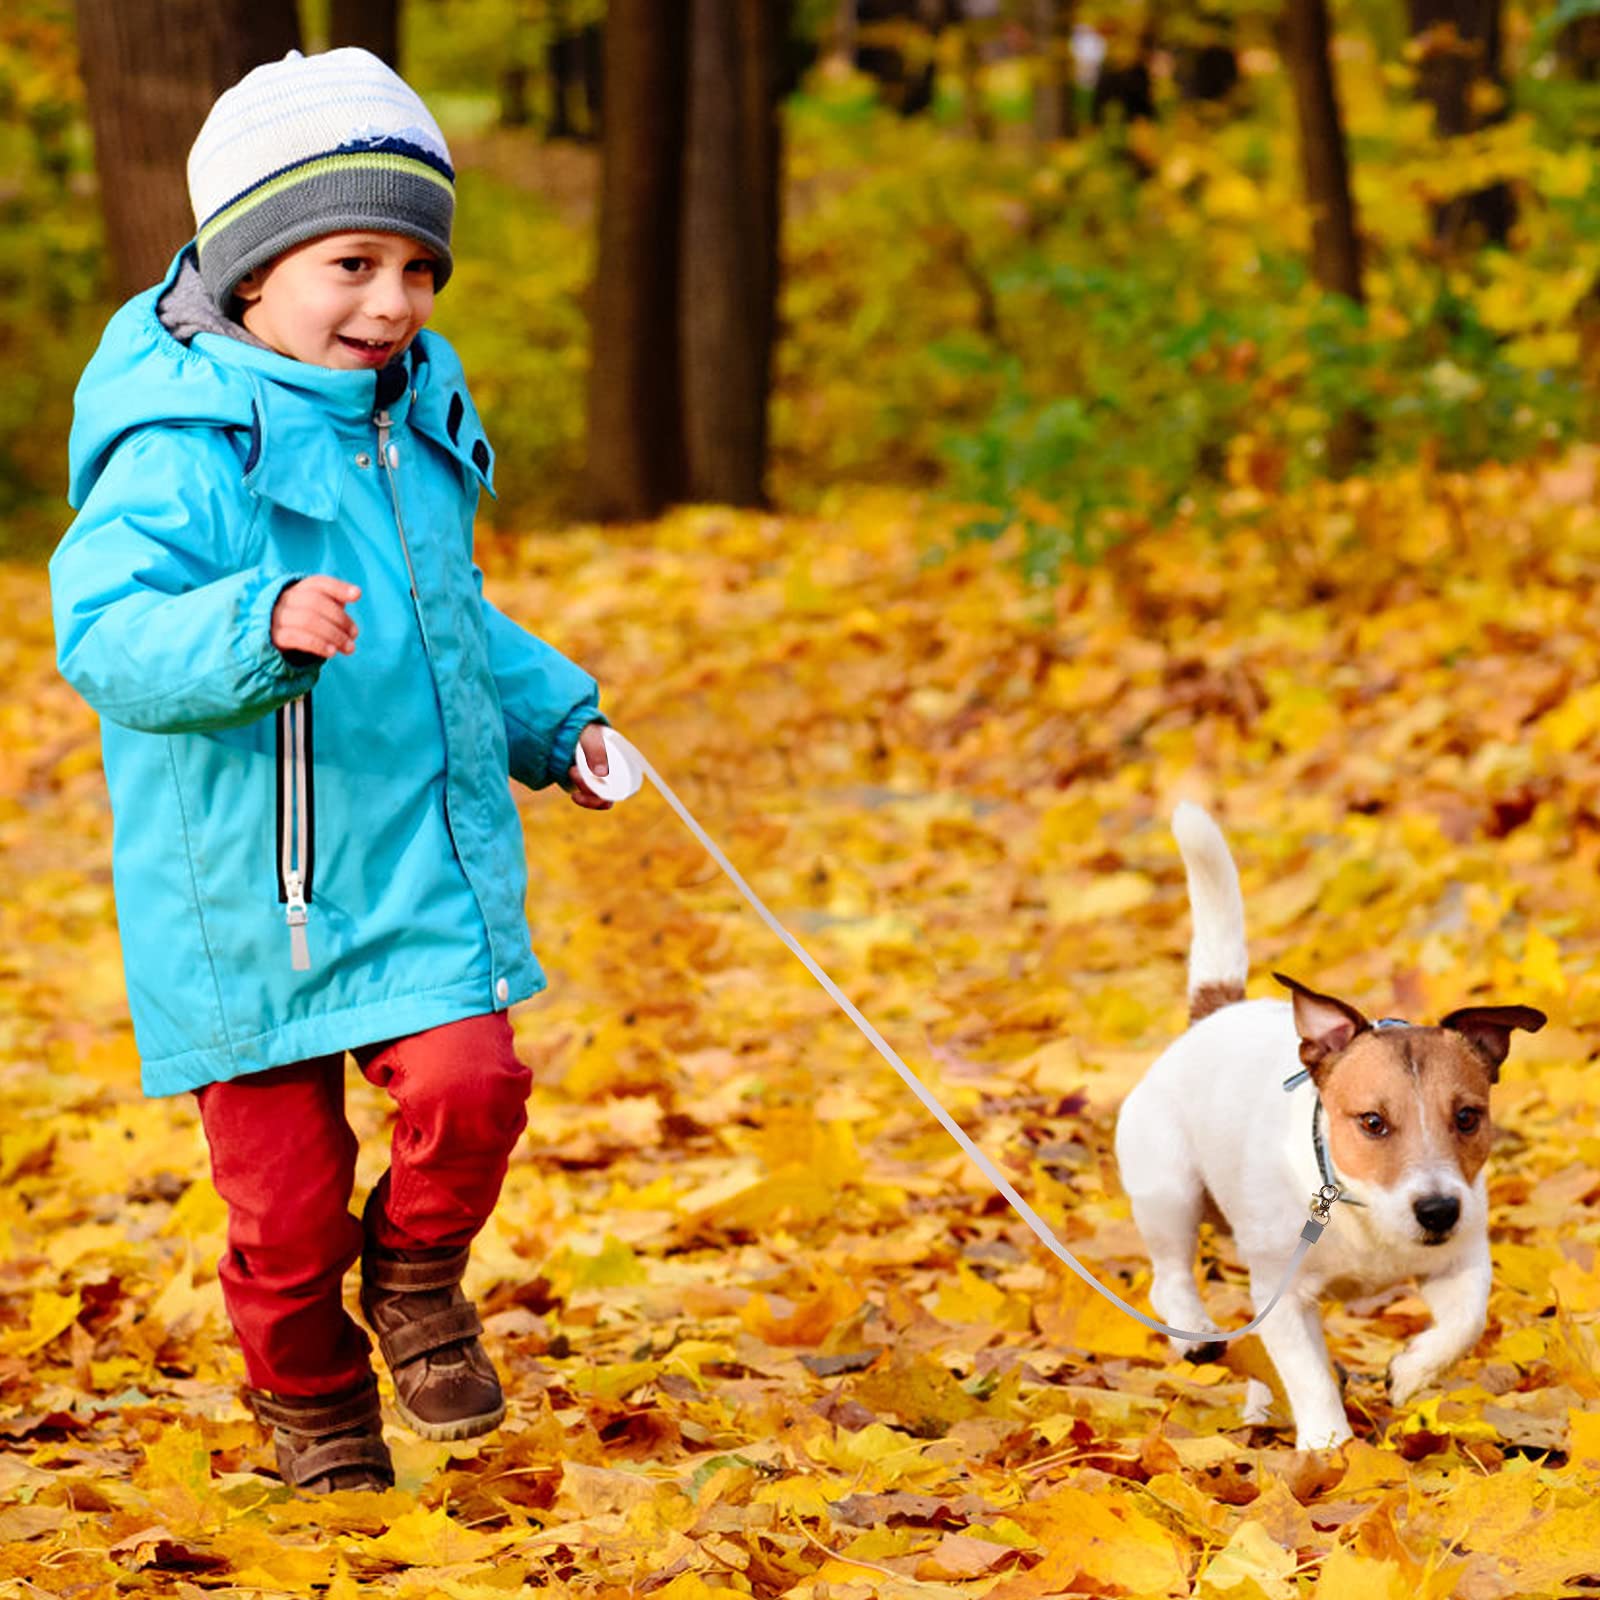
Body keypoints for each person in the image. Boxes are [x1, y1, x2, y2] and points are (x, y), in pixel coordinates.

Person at [49, 47, 613, 1494]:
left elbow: (448, 618)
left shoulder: (408, 419)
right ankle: (311, 1402)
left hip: (411, 857)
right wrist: (254, 622)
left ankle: (418, 1281)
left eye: (419, 269)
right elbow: (105, 630)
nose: (393, 302)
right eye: (351, 261)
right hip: (243, 886)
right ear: (247, 274)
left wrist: (562, 720)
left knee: (475, 1085)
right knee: (285, 1212)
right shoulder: (180, 444)